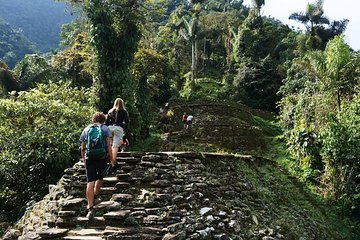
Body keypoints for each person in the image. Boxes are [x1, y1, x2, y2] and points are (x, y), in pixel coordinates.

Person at [79, 112, 113, 219]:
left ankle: (90, 207)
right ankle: (96, 194)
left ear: (93, 119)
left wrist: (84, 159)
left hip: (90, 158)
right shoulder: (105, 129)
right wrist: (112, 159)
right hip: (102, 157)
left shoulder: (87, 129)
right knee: (100, 176)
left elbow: (83, 147)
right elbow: (108, 146)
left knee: (90, 181)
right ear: (103, 119)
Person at [105, 98, 130, 162]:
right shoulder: (124, 111)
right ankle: (112, 162)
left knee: (110, 144)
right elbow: (127, 121)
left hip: (110, 128)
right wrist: (123, 123)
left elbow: (106, 122)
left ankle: (108, 159)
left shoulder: (110, 111)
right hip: (118, 128)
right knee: (115, 146)